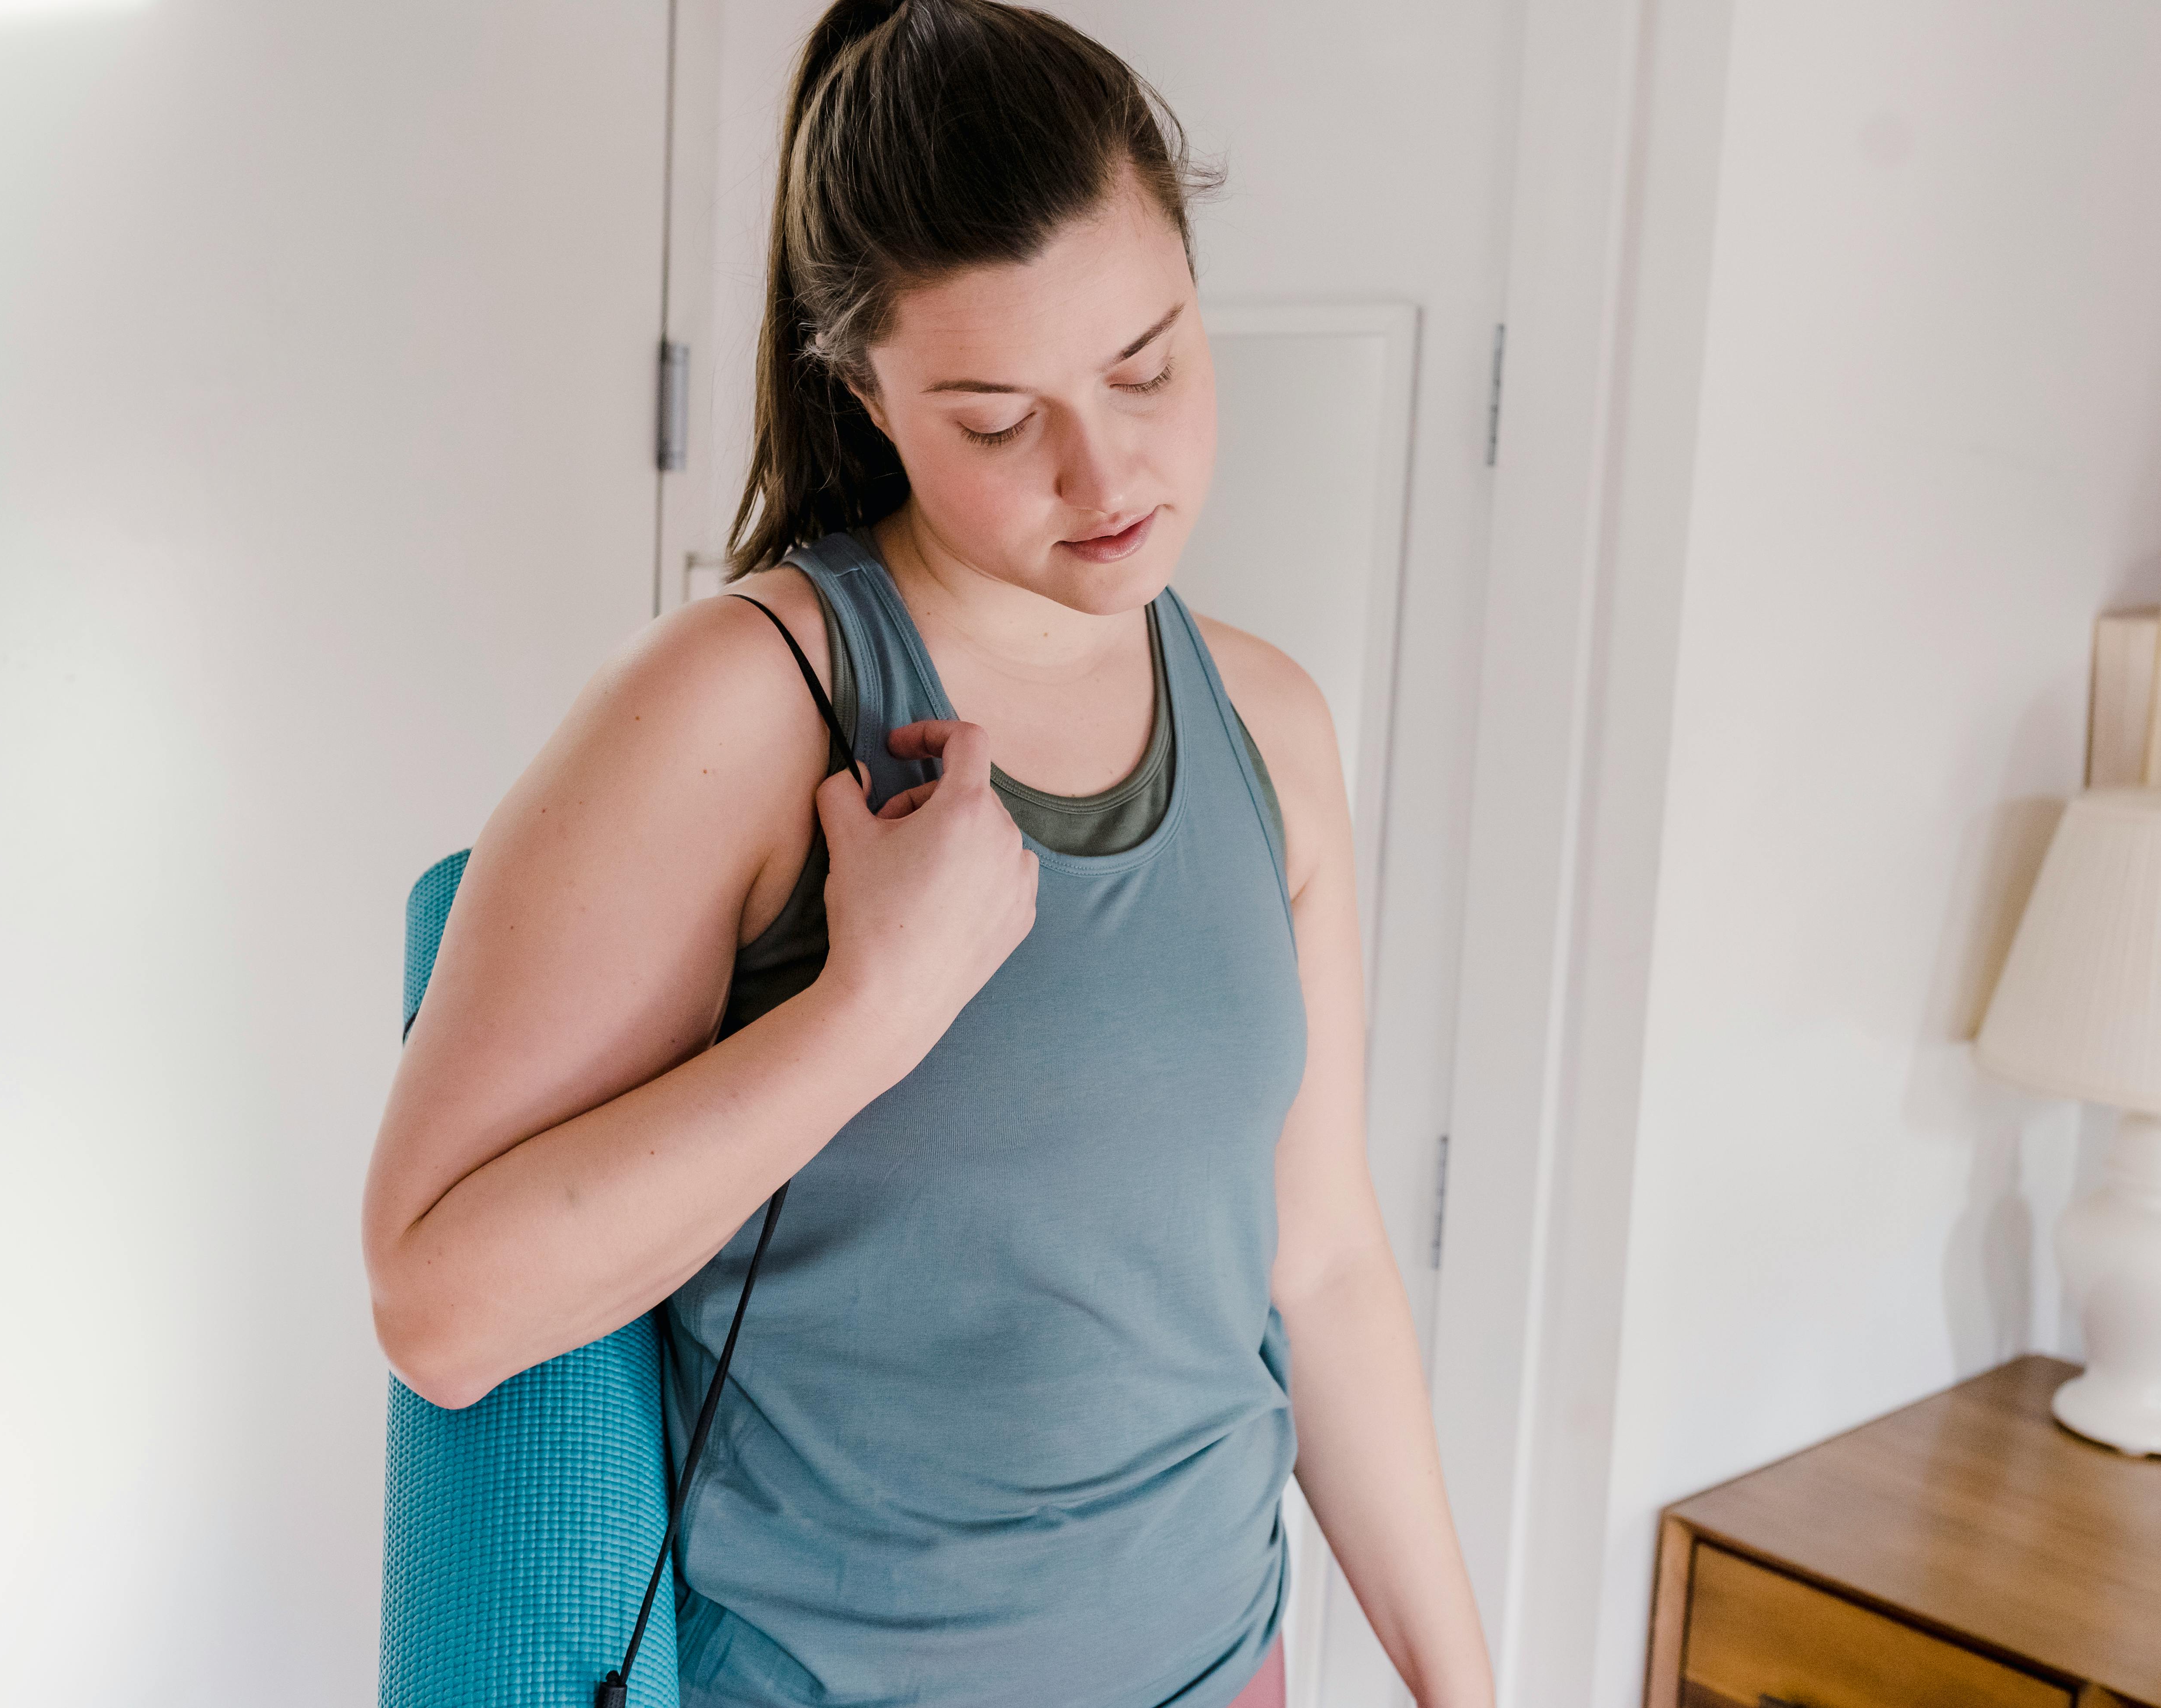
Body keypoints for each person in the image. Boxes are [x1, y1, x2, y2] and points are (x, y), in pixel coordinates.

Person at [360, 2, 1493, 1703]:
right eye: (992, 417)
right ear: (867, 388)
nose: (1104, 471)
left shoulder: (1270, 725)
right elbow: (439, 1303)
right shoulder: (741, 707)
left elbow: (1317, 1259)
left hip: (1229, 1668)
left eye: (1149, 362)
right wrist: (867, 1015)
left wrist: (1465, 1683)